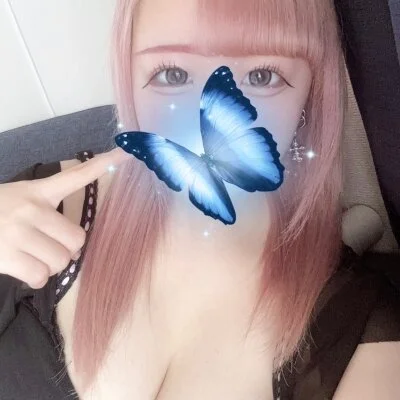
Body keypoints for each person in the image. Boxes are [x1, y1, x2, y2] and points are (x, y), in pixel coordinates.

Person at [1, 0, 399, 399]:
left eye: (262, 76)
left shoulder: (363, 339)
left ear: (310, 96)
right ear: (129, 78)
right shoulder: (38, 210)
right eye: (172, 74)